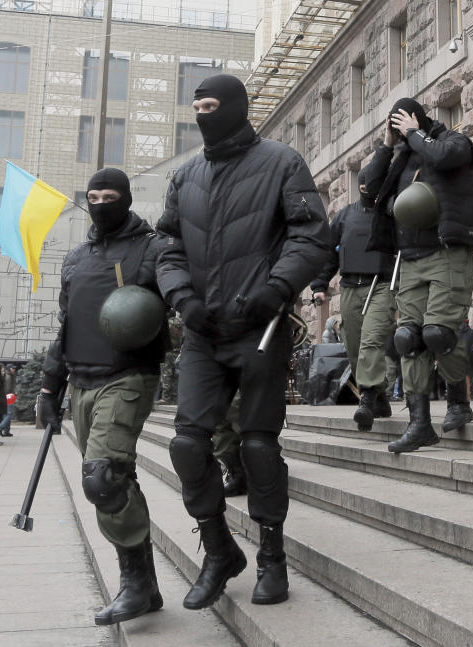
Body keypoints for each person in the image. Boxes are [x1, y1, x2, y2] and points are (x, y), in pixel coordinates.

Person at [155, 74, 329, 610]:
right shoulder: (185, 178)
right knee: (187, 443)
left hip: (261, 325)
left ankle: (271, 559)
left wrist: (277, 289)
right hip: (204, 332)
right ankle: (217, 550)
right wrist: (183, 301)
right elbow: (167, 247)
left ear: (235, 107)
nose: (203, 114)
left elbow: (311, 235)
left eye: (212, 105)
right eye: (197, 106)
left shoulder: (281, 161)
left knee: (257, 444)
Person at [39, 167, 169, 626]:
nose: (99, 202)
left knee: (102, 478)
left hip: (129, 376)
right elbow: (66, 324)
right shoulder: (75, 259)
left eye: (109, 195)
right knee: (119, 477)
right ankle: (145, 586)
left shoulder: (152, 249)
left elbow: (176, 300)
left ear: (126, 199)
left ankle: (134, 584)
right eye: (92, 195)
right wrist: (49, 386)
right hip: (81, 382)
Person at [362, 97, 473, 453]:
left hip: (447, 251)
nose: (396, 129)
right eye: (392, 123)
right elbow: (369, 188)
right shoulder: (400, 158)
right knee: (407, 337)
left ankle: (459, 402)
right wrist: (387, 144)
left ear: (415, 118)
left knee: (437, 332)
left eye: (399, 121)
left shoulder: (453, 141)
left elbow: (443, 158)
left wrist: (415, 134)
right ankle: (420, 424)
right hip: (410, 257)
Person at [311, 171, 397, 431]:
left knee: (371, 339)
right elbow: (330, 253)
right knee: (354, 346)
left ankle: (367, 399)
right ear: (360, 186)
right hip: (350, 286)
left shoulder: (391, 214)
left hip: (381, 285)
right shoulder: (345, 216)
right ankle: (380, 397)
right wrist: (320, 284)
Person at [0, 364, 16, 437]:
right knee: (9, 414)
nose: (14, 369)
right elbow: (8, 389)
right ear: (9, 369)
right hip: (8, 397)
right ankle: (0, 427)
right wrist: (11, 395)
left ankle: (6, 431)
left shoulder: (10, 375)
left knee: (6, 414)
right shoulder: (8, 377)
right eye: (12, 368)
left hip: (6, 397)